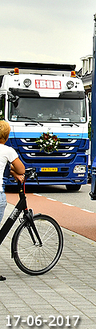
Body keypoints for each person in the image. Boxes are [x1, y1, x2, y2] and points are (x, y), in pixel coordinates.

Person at [0, 120, 26, 281]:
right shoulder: (7, 151)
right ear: (7, 135)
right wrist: (17, 172)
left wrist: (11, 172)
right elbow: (21, 169)